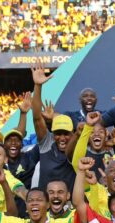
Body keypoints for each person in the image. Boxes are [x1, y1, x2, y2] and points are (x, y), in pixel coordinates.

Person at [31, 61, 76, 191]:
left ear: (72, 134)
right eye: (58, 133)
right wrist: (38, 86)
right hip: (46, 206)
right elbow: (37, 117)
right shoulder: (47, 142)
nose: (62, 137)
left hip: (70, 207)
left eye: (66, 133)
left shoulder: (77, 145)